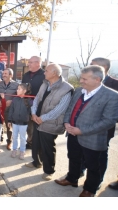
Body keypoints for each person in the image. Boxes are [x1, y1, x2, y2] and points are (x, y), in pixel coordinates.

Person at [55, 65, 118, 197]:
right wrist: (66, 122)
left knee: (93, 165)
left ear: (97, 79)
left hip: (93, 138)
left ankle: (90, 189)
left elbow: (108, 121)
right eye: (81, 78)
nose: (81, 81)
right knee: (73, 158)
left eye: (84, 79)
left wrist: (82, 131)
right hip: (72, 133)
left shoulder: (112, 96)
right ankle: (72, 179)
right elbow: (70, 108)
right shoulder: (79, 91)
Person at [25, 63, 73, 182]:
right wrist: (34, 113)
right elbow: (37, 99)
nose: (44, 72)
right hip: (37, 119)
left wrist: (43, 118)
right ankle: (36, 162)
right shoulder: (45, 83)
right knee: (35, 143)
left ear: (54, 73)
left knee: (47, 147)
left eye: (46, 71)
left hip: (51, 123)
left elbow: (60, 109)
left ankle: (49, 170)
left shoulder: (67, 88)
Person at [89, 58, 118, 188]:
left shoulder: (115, 84)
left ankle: (97, 180)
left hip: (103, 128)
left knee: (100, 154)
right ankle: (82, 172)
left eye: (92, 65)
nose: (89, 67)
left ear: (103, 68)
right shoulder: (87, 82)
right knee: (85, 152)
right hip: (85, 126)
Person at [22, 56, 45, 149]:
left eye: (31, 62)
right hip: (26, 103)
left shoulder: (44, 75)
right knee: (28, 124)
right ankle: (29, 141)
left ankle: (36, 142)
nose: (28, 64)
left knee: (36, 124)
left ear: (38, 63)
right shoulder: (26, 75)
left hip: (39, 105)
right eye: (29, 62)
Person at [0, 68, 19, 150]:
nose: (4, 75)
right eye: (3, 73)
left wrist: (12, 101)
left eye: (6, 73)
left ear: (11, 75)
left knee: (9, 126)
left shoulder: (16, 85)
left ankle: (9, 141)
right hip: (0, 108)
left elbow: (19, 96)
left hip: (10, 109)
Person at [7, 83, 32, 160]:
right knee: (14, 136)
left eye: (19, 89)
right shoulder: (15, 99)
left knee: (22, 137)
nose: (17, 90)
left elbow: (31, 110)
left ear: (24, 91)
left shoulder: (29, 100)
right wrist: (9, 120)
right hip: (15, 122)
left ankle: (22, 151)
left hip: (23, 123)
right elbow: (11, 110)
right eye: (17, 89)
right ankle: (14, 149)